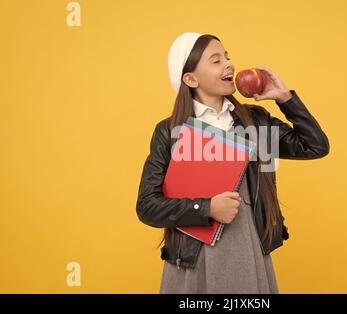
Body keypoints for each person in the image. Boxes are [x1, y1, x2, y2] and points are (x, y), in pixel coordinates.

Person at [136, 32, 330, 293]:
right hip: (193, 259)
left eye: (227, 57)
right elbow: (147, 206)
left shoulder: (256, 121)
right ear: (190, 78)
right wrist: (206, 208)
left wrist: (285, 99)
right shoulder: (170, 131)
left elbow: (314, 146)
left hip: (246, 250)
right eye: (216, 60)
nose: (229, 64)